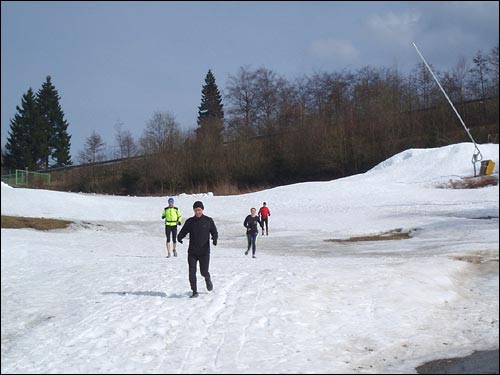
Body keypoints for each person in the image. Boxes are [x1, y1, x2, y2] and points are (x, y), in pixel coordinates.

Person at [177, 201, 218, 298]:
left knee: (204, 271)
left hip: (204, 252)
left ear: (202, 210)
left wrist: (214, 239)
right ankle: (194, 291)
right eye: (196, 210)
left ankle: (207, 278)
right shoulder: (190, 221)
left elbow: (214, 231)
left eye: (199, 210)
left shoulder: (208, 220)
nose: (198, 212)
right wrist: (180, 237)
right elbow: (184, 231)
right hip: (192, 252)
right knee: (192, 272)